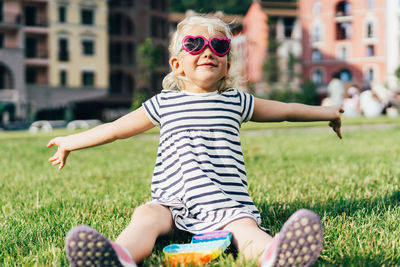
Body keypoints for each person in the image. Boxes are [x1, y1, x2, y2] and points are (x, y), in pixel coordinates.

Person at [47, 15, 343, 267]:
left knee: (244, 229)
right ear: (177, 64)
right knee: (145, 216)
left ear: (227, 66)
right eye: (194, 44)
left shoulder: (235, 101)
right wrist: (71, 141)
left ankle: (274, 255)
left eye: (219, 46)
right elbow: (115, 128)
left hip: (224, 201)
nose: (208, 51)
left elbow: (286, 111)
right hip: (172, 202)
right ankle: (119, 255)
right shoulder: (163, 103)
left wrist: (327, 112)